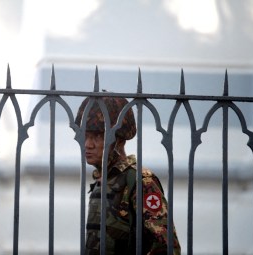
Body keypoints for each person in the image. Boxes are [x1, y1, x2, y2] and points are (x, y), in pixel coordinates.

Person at [75, 96, 181, 255]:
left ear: (119, 140)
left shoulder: (140, 180)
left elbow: (165, 246)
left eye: (97, 136)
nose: (88, 145)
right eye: (86, 135)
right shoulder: (103, 179)